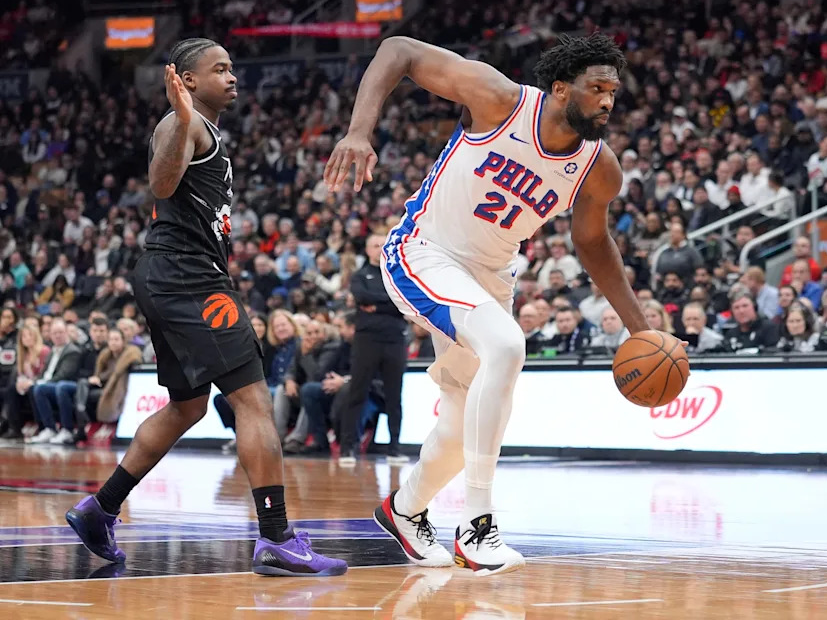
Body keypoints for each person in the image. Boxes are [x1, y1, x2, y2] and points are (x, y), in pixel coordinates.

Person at [324, 33, 654, 575]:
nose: (608, 102)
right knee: (506, 344)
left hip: (489, 278)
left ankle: (403, 509)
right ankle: (477, 528)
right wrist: (359, 132)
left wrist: (639, 328)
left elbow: (593, 243)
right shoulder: (500, 100)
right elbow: (397, 50)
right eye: (597, 88)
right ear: (561, 87)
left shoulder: (599, 167)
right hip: (424, 251)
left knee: (461, 428)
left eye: (614, 91)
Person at [65, 38, 346, 577]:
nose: (233, 76)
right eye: (220, 69)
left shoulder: (200, 127)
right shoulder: (182, 124)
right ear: (187, 79)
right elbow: (161, 183)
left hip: (174, 274)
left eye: (233, 67)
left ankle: (100, 509)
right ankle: (276, 538)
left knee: (189, 406)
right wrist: (181, 116)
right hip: (189, 277)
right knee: (254, 402)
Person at [338, 233, 407, 466]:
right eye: (375, 245)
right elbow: (361, 295)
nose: (380, 249)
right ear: (367, 250)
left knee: (394, 396)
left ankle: (394, 448)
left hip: (395, 340)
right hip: (367, 341)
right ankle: (348, 448)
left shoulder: (398, 275)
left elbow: (403, 301)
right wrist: (389, 304)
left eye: (383, 245)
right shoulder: (360, 276)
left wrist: (376, 305)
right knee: (357, 392)